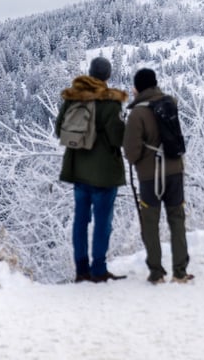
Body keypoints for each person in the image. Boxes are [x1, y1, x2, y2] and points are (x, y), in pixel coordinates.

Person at [56, 56, 129, 283]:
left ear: (89, 72)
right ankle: (98, 270)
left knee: (80, 220)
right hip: (104, 175)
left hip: (79, 171)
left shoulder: (73, 99)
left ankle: (81, 270)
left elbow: (60, 130)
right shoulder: (110, 103)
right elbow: (118, 138)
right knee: (102, 222)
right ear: (107, 76)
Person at [123, 68, 193, 284]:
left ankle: (156, 272)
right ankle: (180, 271)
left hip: (149, 176)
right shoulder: (169, 103)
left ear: (137, 88)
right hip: (174, 171)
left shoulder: (137, 114)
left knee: (151, 223)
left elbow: (131, 152)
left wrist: (141, 159)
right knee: (177, 219)